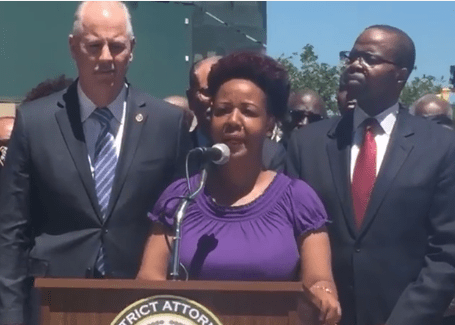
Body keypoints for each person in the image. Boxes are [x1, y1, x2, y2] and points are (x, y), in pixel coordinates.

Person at [0, 2, 191, 324]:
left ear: (132, 49)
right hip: (54, 298)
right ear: (74, 47)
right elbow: (12, 232)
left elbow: (181, 221)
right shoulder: (35, 122)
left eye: (116, 46)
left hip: (139, 299)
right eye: (94, 46)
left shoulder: (167, 124)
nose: (106, 57)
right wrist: (11, 315)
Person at [138, 51, 341, 325]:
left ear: (269, 123)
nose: (233, 121)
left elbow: (319, 280)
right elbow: (148, 283)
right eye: (222, 111)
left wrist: (323, 294)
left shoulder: (298, 199)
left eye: (248, 111)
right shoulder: (180, 198)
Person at [286, 25, 455, 325]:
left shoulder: (441, 147)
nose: (355, 64)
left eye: (369, 58)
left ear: (400, 74)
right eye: (351, 56)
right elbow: (290, 236)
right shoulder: (308, 144)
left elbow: (448, 249)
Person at [187, 56, 286, 171]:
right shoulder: (178, 151)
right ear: (190, 98)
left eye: (247, 111)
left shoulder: (271, 155)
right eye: (209, 92)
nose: (233, 120)